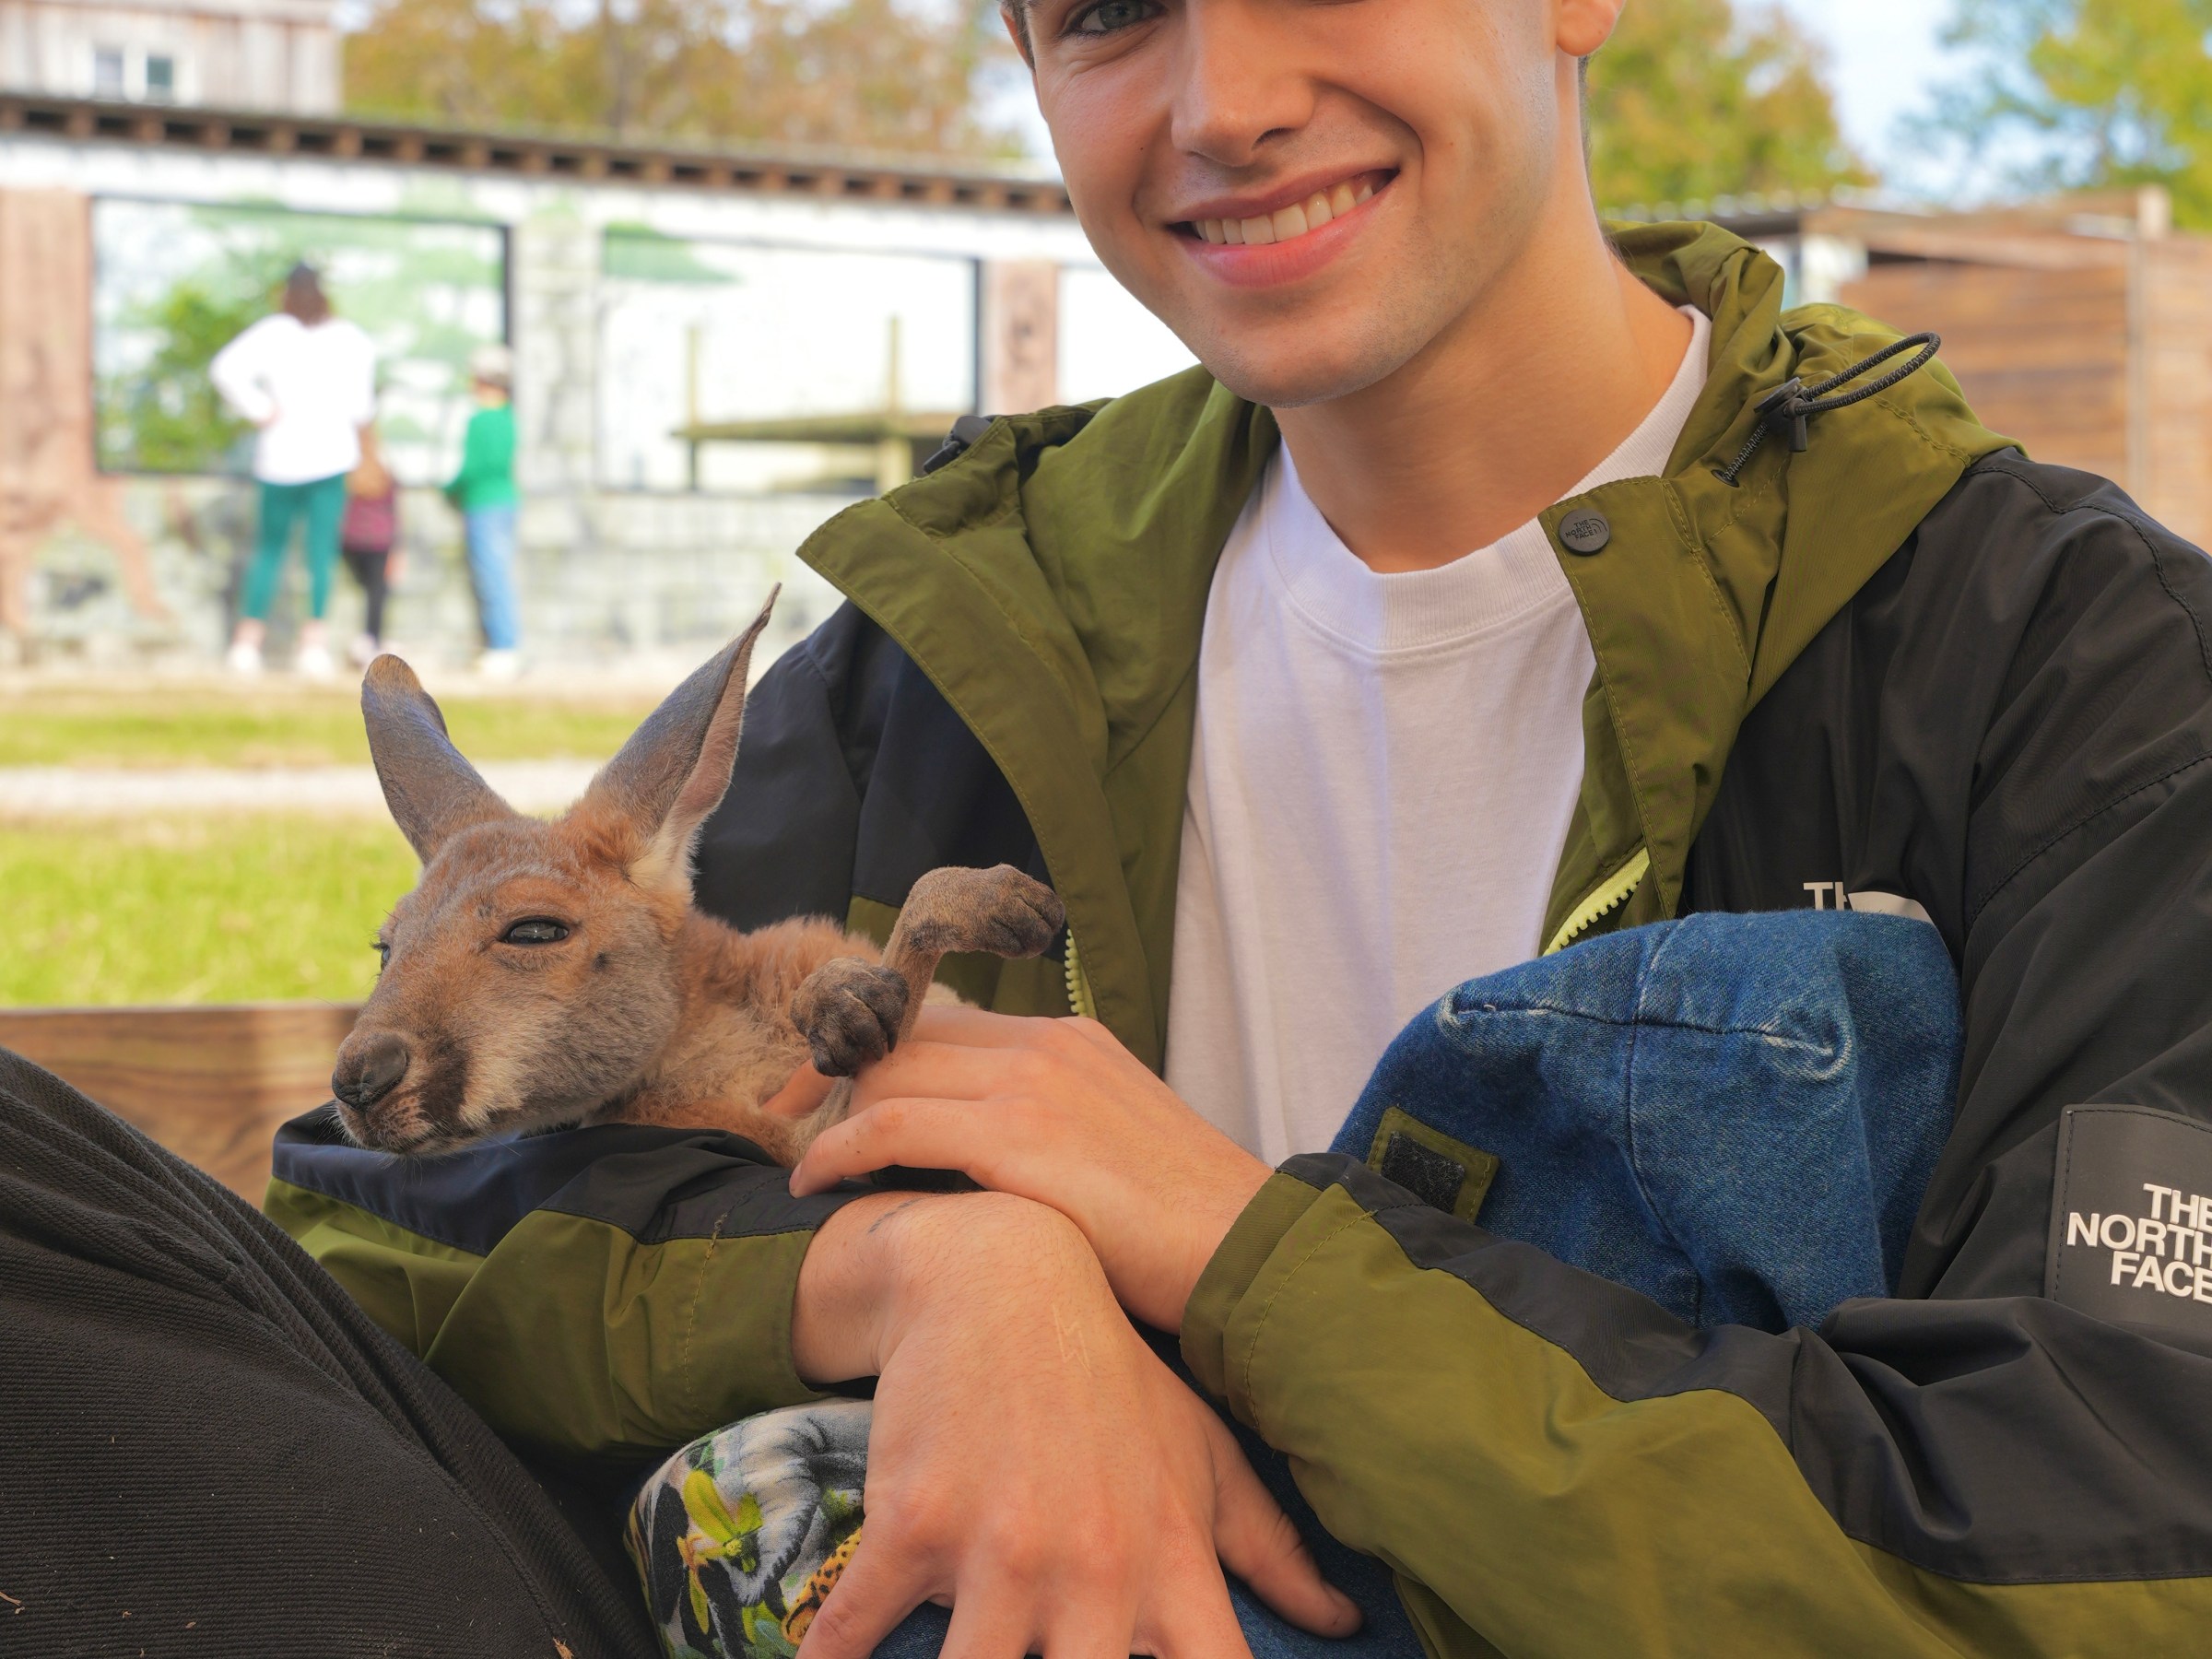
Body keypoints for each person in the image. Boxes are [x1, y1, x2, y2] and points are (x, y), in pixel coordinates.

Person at [10, 0, 2212, 1653]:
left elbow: (2135, 1516)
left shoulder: (2057, 659)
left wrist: (1231, 1260)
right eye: (1106, 11)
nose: (1221, 99)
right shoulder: (973, 626)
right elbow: (400, 1214)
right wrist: (942, 1273)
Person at [210, 262, 376, 679]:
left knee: (269, 551)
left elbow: (224, 370)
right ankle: (312, 647)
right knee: (320, 554)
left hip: (281, 459)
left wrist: (261, 409)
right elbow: (362, 408)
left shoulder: (273, 333)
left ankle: (247, 645)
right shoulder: (350, 339)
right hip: (329, 458)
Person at [447, 342, 522, 679]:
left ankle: (503, 648)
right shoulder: (508, 418)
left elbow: (472, 469)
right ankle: (503, 646)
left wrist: (449, 489)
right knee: (499, 573)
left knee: (491, 576)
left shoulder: (479, 420)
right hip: (506, 502)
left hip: (482, 504)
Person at [340, 425, 403, 665]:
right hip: (379, 541)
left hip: (350, 541)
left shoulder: (345, 472)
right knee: (377, 593)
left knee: (365, 589)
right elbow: (395, 512)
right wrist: (398, 549)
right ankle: (372, 642)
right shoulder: (384, 471)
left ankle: (365, 643)